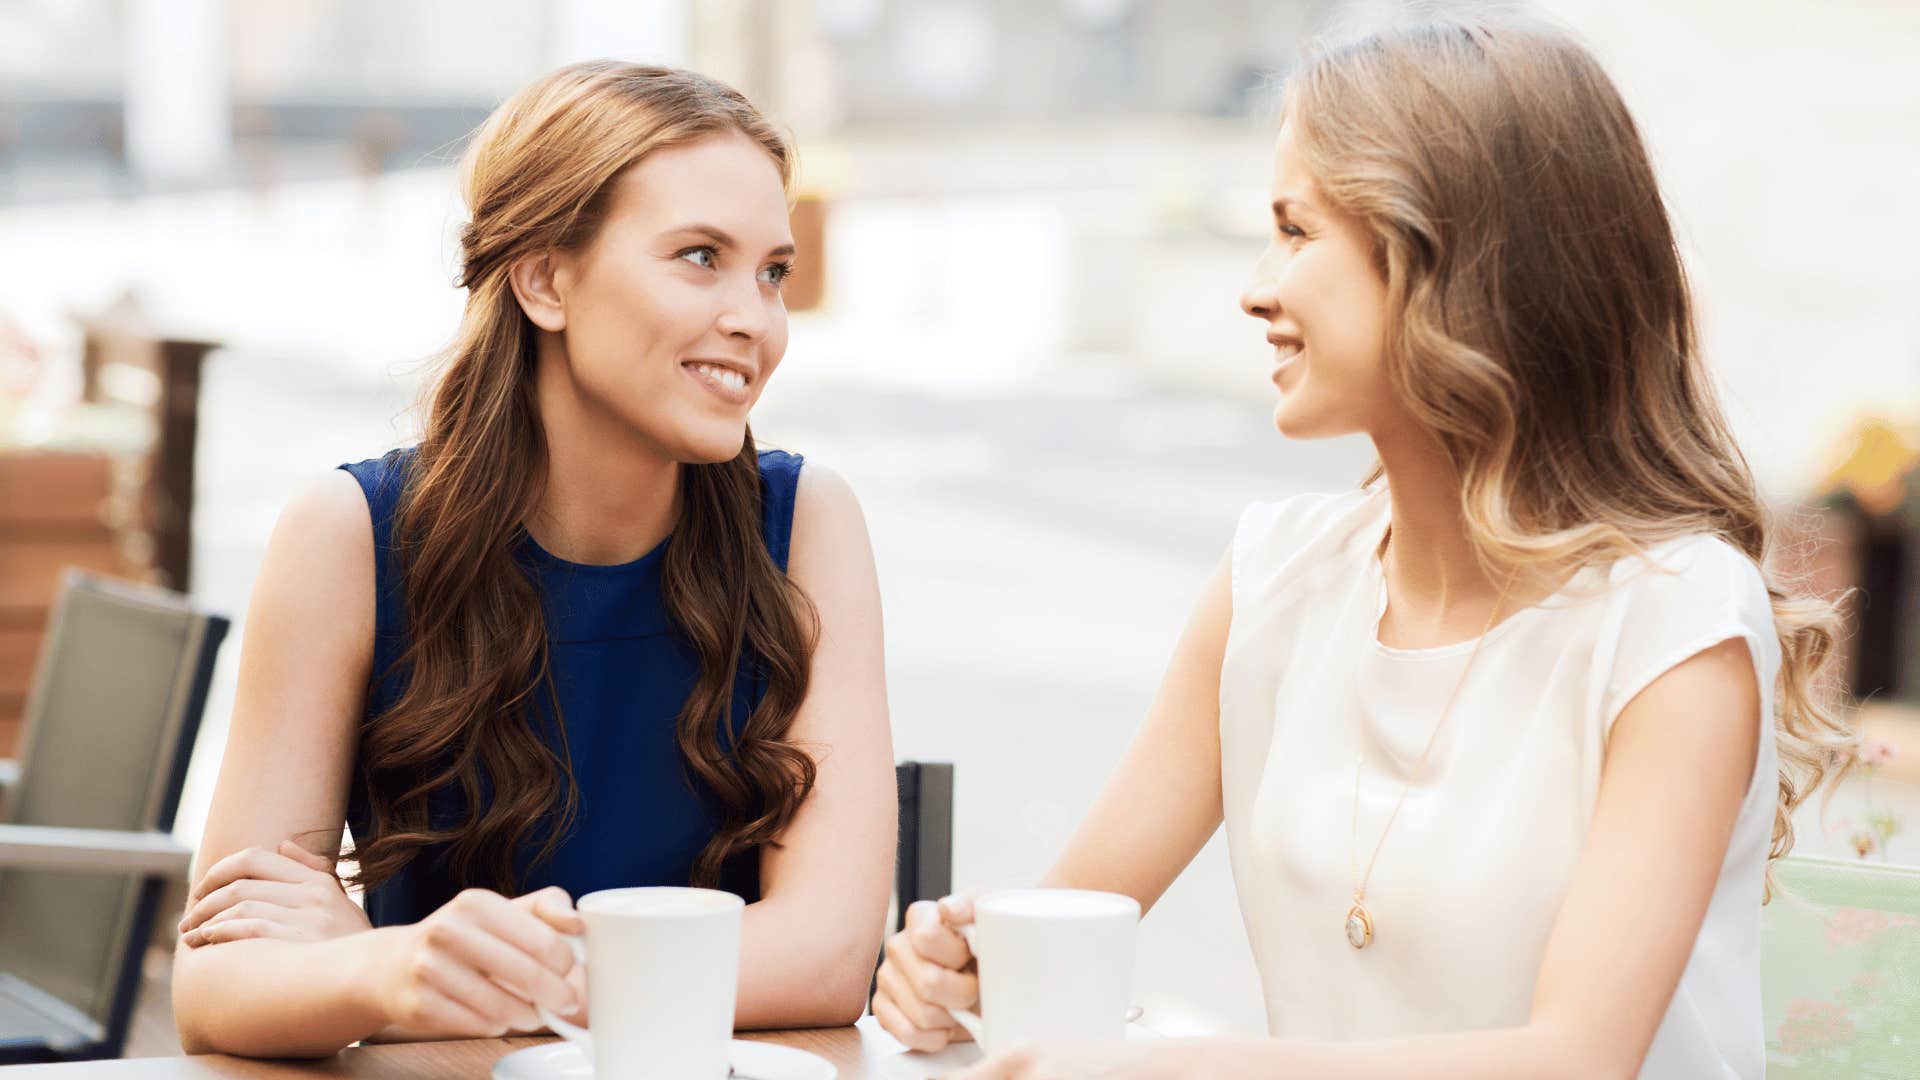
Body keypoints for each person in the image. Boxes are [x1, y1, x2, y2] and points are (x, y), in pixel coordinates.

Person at [873, 17, 1851, 1079]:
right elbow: (1065, 927)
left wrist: (1164, 1068)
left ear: (1450, 263)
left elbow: (1577, 1062)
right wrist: (960, 976)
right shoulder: (1275, 580)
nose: (1256, 287)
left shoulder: (1674, 620)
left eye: (1296, 233)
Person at [172, 62, 895, 1057]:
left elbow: (827, 958)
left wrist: (404, 967)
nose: (755, 319)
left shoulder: (807, 522)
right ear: (546, 278)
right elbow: (218, 979)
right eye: (698, 257)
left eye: (772, 270)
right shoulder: (348, 536)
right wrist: (389, 969)